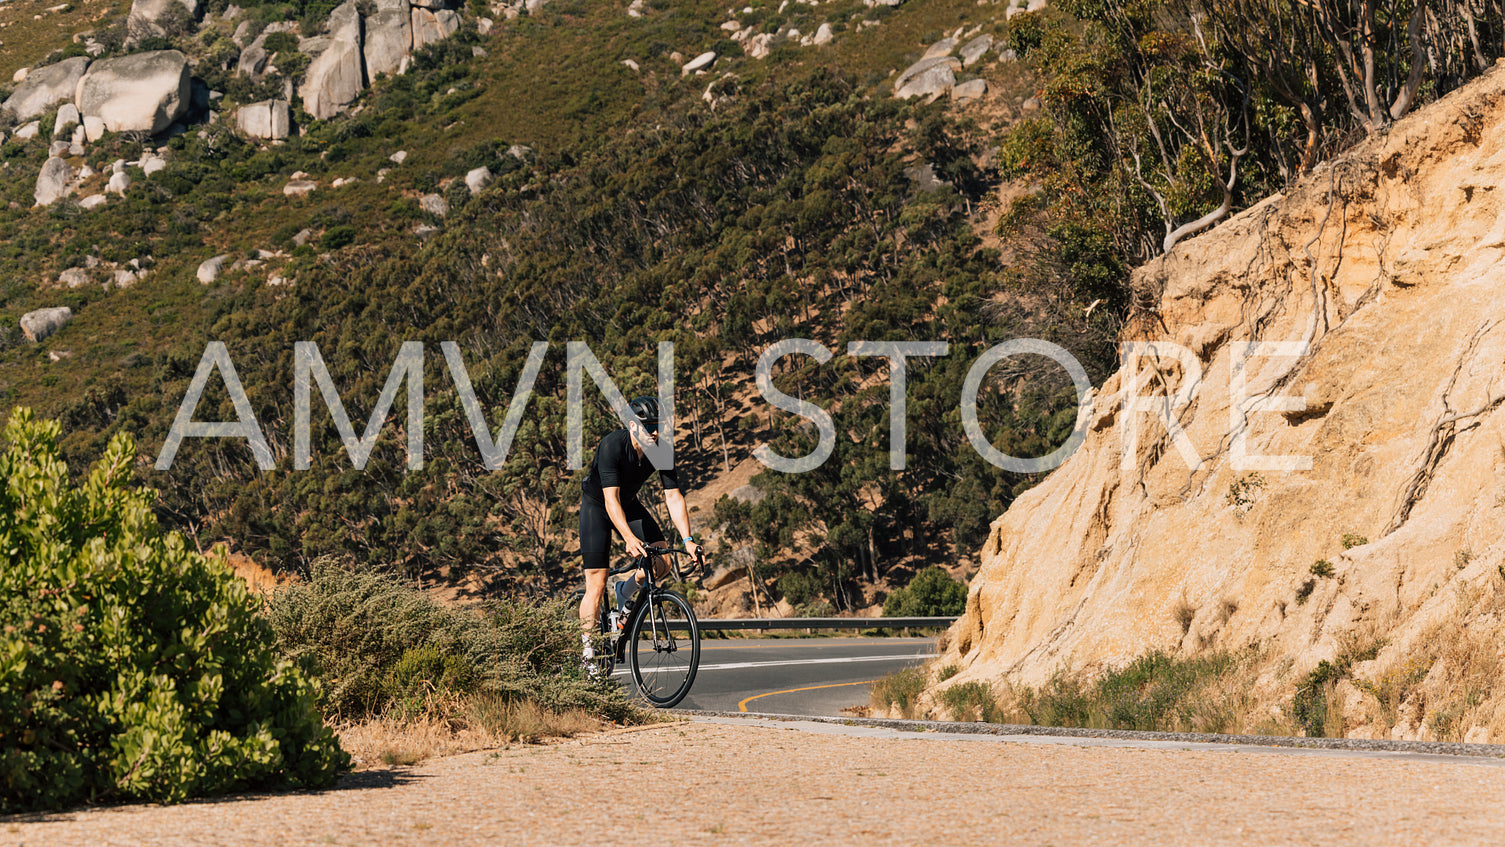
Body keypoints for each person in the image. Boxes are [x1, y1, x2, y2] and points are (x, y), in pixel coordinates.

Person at [578, 396, 702, 671]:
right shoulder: (612, 445)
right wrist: (629, 539)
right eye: (649, 426)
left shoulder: (662, 450)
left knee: (662, 562)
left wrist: (688, 540)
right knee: (596, 584)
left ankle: (625, 589)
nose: (655, 432)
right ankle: (588, 653)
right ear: (633, 427)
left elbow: (673, 497)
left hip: (628, 503)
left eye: (658, 426)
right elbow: (611, 501)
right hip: (597, 506)